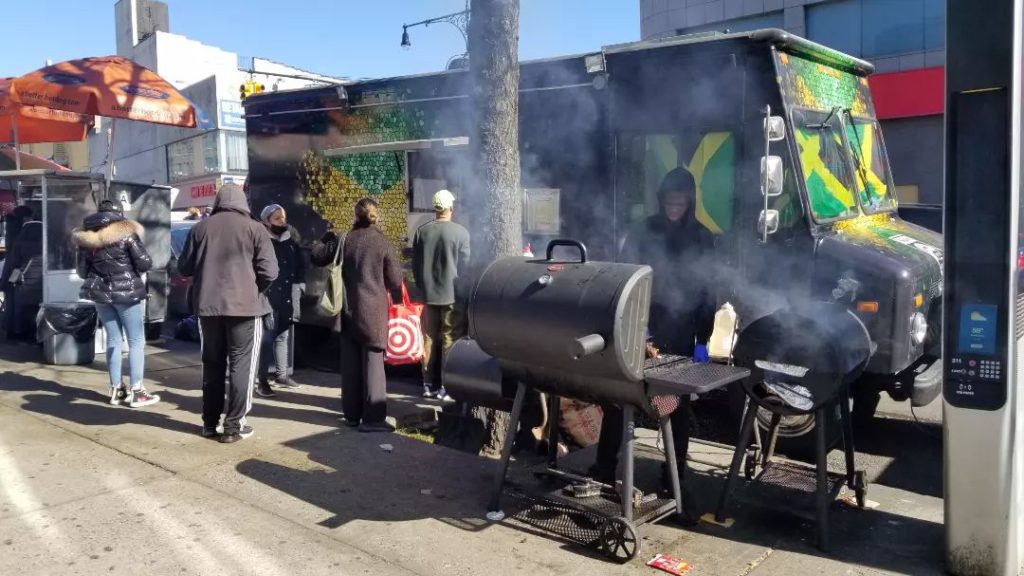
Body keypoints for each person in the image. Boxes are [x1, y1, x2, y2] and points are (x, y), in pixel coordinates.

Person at [591, 167, 716, 515]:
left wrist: (703, 339)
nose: (674, 204)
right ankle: (604, 467)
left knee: (676, 406)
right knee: (621, 397)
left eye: (680, 198)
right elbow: (626, 277)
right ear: (661, 198)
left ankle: (674, 473)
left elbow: (709, 292)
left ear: (690, 199)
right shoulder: (643, 230)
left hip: (681, 331)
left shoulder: (703, 237)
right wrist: (634, 326)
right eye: (668, 198)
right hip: (642, 327)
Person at [178, 183, 278, 443]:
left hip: (207, 309)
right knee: (242, 365)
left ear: (219, 201)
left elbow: (184, 268)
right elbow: (270, 271)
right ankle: (234, 426)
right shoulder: (255, 228)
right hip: (245, 307)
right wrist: (255, 290)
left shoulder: (199, 228)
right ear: (243, 201)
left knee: (212, 365)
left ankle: (209, 423)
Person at [313, 198, 403, 433]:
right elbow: (395, 280)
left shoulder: (344, 239)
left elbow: (317, 257)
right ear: (376, 215)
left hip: (347, 311)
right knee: (373, 364)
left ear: (355, 214)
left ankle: (351, 415)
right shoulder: (382, 241)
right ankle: (373, 419)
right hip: (373, 312)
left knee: (350, 364)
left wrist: (326, 236)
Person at [72, 200, 158, 407]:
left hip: (101, 295)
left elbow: (82, 272)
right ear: (119, 213)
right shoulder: (127, 232)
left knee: (113, 340)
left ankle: (116, 390)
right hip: (127, 294)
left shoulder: (86, 238)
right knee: (136, 341)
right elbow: (145, 263)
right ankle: (137, 391)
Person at [412, 189, 470, 401]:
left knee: (428, 340)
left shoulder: (421, 231)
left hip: (427, 295)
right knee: (449, 340)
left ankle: (428, 385)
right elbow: (465, 268)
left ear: (435, 208)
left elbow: (416, 266)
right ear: (451, 208)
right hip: (452, 296)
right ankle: (447, 386)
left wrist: (422, 286)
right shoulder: (461, 233)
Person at [256, 204, 305, 397]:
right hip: (267, 296)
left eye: (283, 217)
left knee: (283, 335)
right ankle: (261, 380)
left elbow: (300, 264)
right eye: (276, 218)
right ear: (266, 221)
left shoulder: (290, 240)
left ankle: (281, 375)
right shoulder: (261, 239)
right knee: (266, 339)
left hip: (287, 295)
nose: (281, 221)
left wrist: (300, 285)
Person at [0, 218, 43, 340]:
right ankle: (37, 332)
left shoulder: (18, 243)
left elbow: (13, 264)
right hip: (42, 283)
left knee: (20, 307)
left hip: (23, 282)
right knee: (38, 308)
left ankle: (19, 331)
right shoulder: (46, 244)